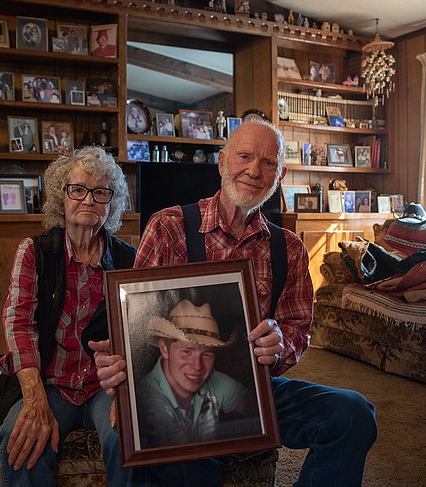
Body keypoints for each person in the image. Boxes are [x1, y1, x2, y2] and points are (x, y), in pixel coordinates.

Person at [91, 120, 378, 486]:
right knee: (186, 456)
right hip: (181, 396)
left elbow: (296, 329)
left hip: (255, 391)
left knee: (354, 414)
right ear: (223, 162)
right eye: (244, 156)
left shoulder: (288, 248)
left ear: (280, 174)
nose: (255, 170)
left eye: (268, 163)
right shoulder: (168, 227)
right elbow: (136, 324)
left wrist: (280, 344)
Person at [0, 146, 136, 486]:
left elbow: (140, 334)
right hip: (50, 383)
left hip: (106, 387)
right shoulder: (35, 251)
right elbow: (19, 324)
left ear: (111, 203)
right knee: (19, 438)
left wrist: (130, 392)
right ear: (63, 196)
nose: (89, 200)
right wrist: (33, 397)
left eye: (100, 192)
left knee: (133, 437)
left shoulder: (130, 259)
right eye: (79, 189)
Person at [136, 299, 256, 449]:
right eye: (187, 351)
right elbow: (182, 458)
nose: (197, 366)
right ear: (164, 348)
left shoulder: (212, 380)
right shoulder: (150, 401)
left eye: (207, 354)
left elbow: (253, 407)